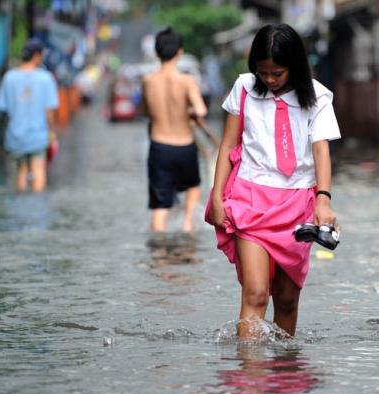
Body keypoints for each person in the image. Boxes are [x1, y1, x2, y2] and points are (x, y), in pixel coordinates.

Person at [207, 23, 341, 340]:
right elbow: (228, 143)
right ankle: (250, 379)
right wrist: (216, 196)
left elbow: (321, 150)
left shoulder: (318, 97)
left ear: (294, 66)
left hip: (297, 205)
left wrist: (323, 199)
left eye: (277, 73)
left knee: (286, 299)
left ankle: (283, 374)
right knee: (255, 294)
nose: (269, 80)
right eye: (263, 72)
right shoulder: (243, 88)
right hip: (249, 199)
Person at [137, 27, 208, 233]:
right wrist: (188, 112)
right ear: (180, 51)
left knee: (160, 206)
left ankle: (158, 254)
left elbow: (143, 111)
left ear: (157, 53)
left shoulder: (148, 80)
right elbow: (201, 110)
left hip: (159, 147)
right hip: (185, 146)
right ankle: (187, 226)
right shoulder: (187, 81)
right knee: (193, 187)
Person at [0, 38, 59, 192]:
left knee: (21, 172)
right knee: (39, 171)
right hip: (37, 136)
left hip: (16, 135)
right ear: (36, 55)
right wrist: (51, 134)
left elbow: (4, 108)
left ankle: (21, 206)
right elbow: (49, 112)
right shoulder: (46, 78)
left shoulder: (9, 78)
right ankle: (37, 209)